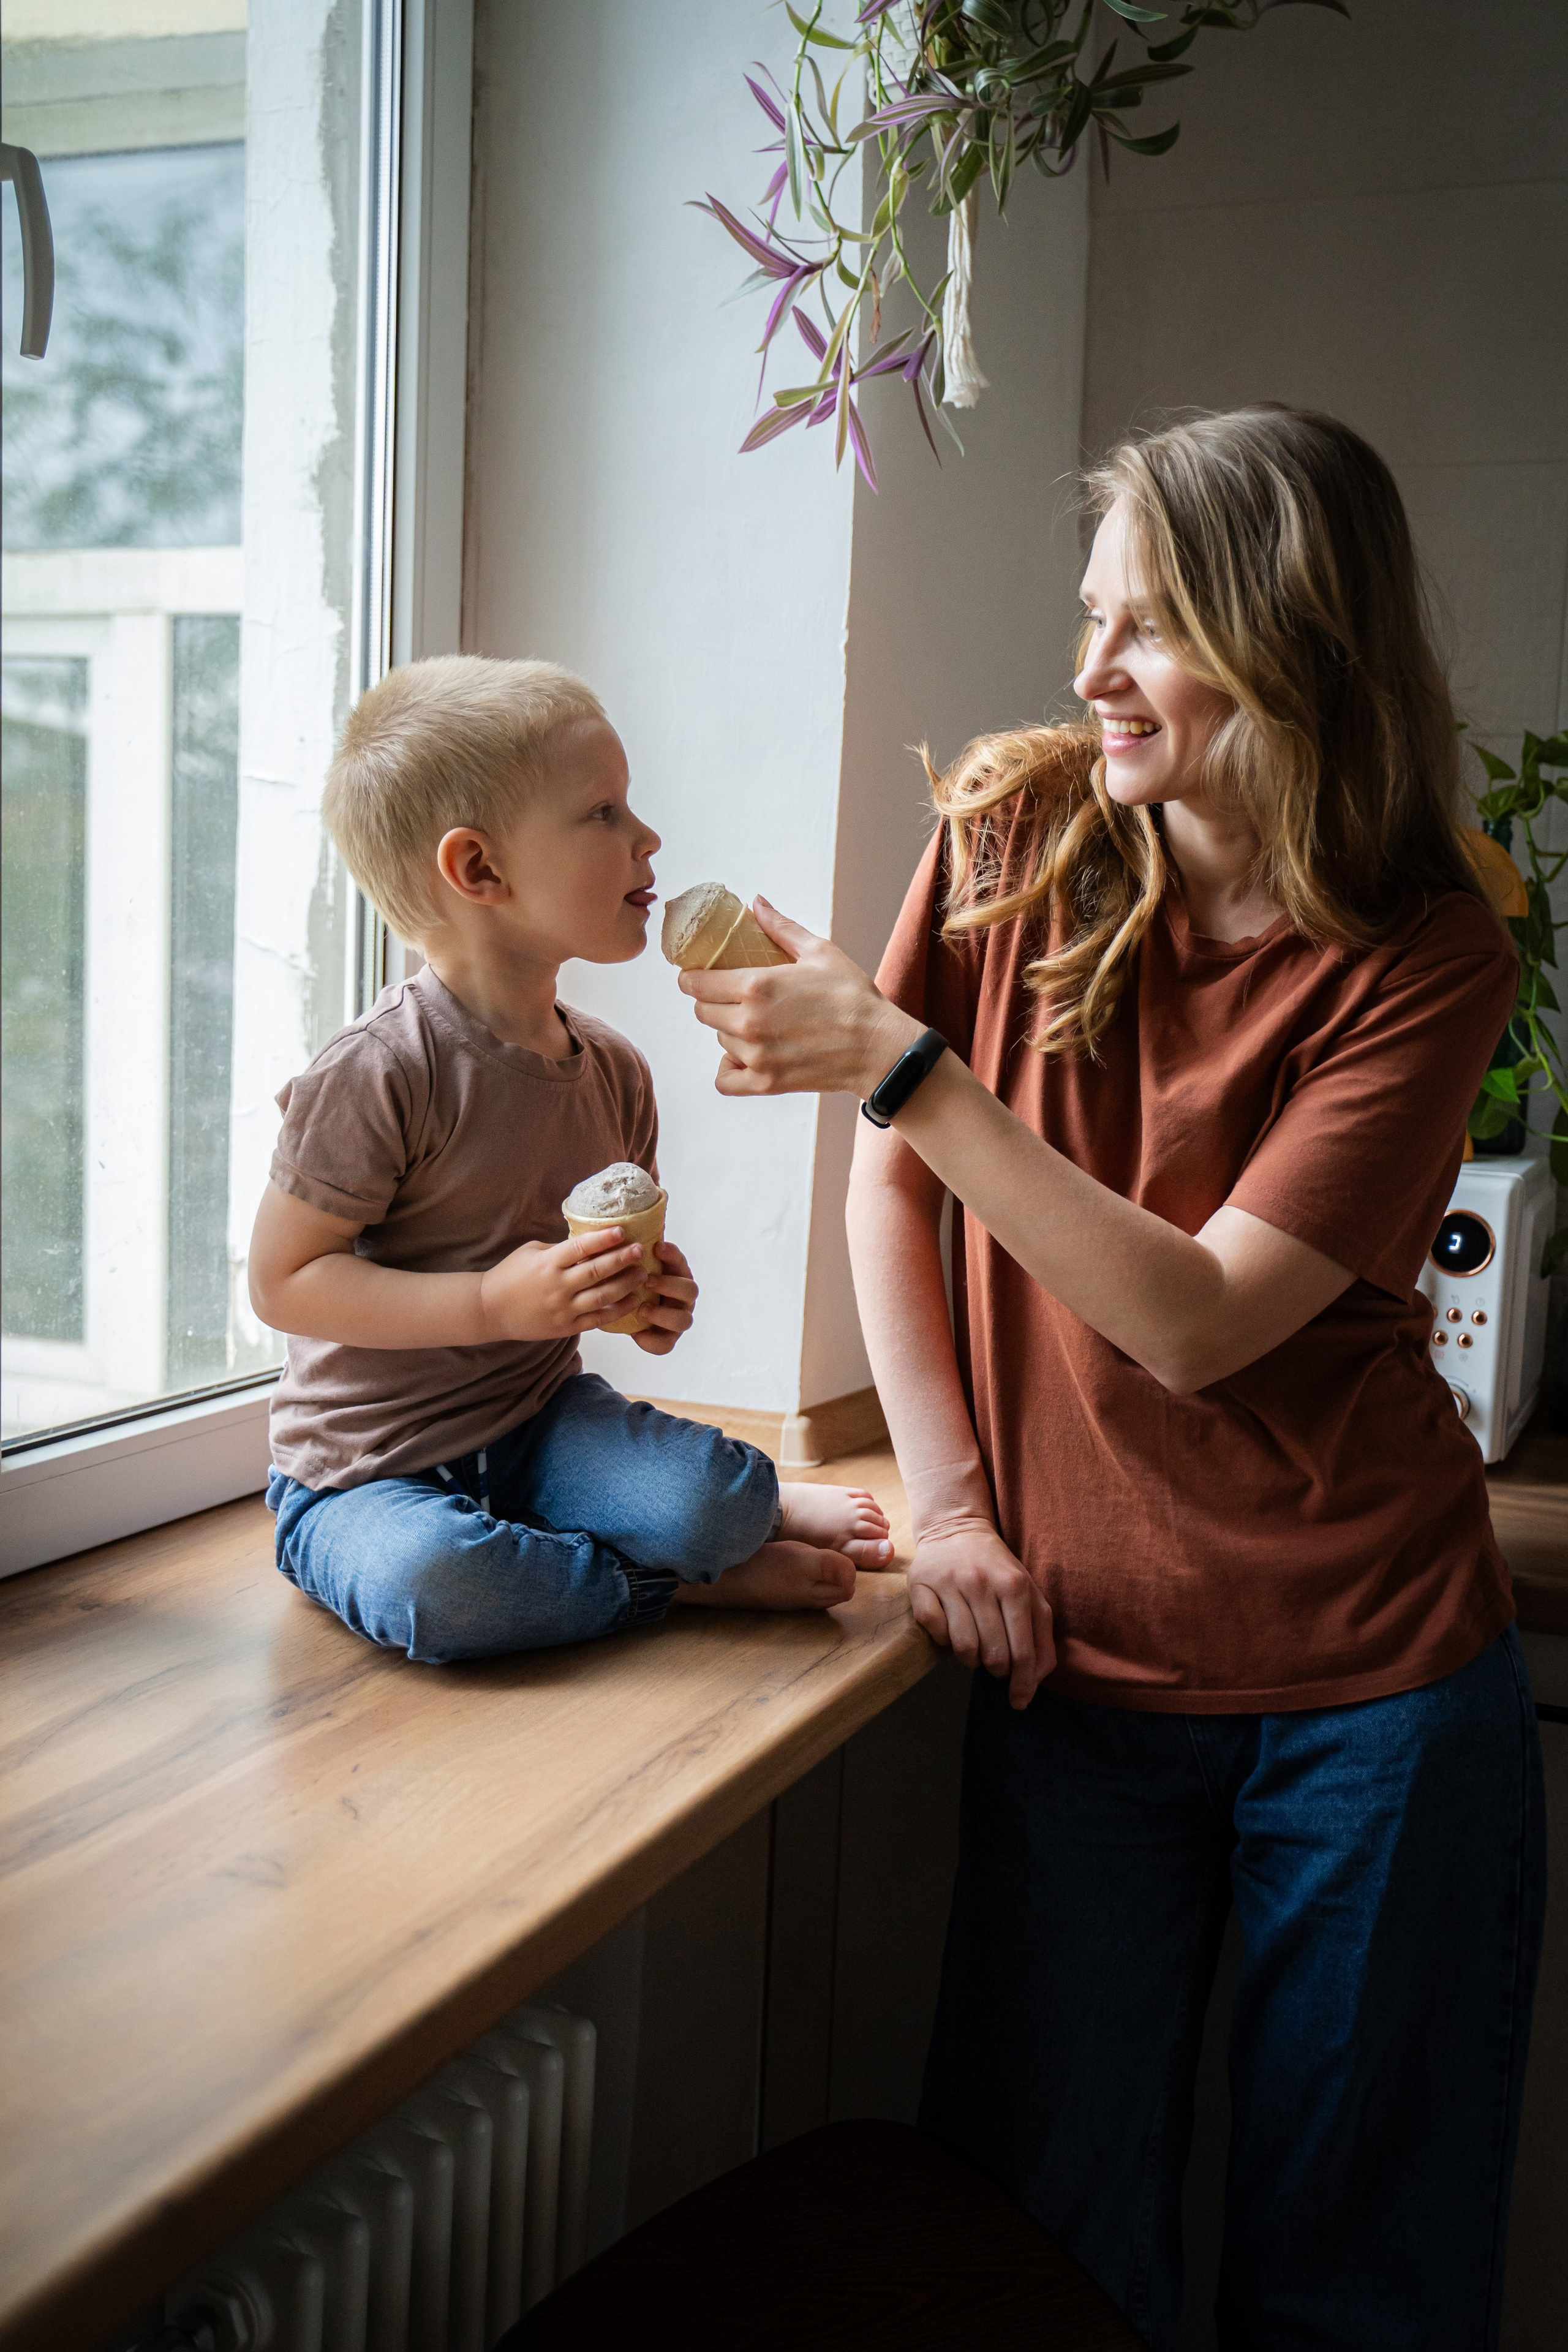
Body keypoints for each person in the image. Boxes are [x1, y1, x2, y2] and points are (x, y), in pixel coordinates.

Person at [676, 409, 1547, 2350]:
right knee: (1037, 2252)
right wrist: (958, 1503)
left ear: (1290, 637)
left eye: (1147, 629)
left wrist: (899, 1058)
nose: (1089, 674)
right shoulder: (1018, 828)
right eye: (1093, 616)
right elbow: (889, 1196)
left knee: (1360, 2284)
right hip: (1073, 1669)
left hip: (1381, 1695)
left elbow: (1199, 1319)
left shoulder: (1429, 942)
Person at [249, 655, 891, 1663]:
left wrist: (644, 1301)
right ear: (480, 871)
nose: (648, 839)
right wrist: (491, 1306)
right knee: (438, 1590)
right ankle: (669, 1589)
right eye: (603, 814)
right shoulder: (377, 1072)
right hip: (364, 1473)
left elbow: (605, 1296)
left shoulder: (617, 1075)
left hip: (539, 1421)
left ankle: (693, 1545)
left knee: (719, 1500)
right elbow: (284, 1281)